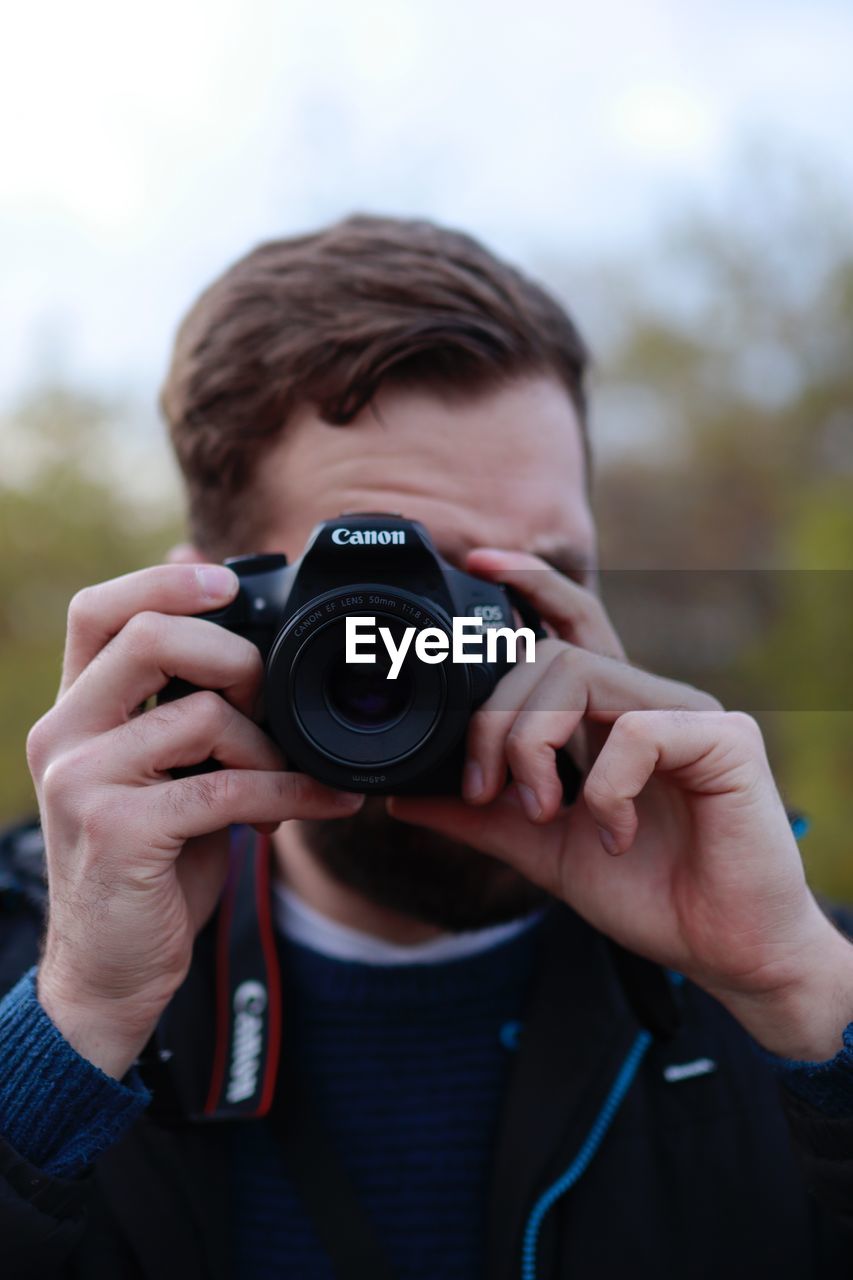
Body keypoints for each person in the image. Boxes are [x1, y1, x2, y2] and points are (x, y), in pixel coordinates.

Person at [1, 215, 851, 1280]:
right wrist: (70, 1026)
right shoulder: (44, 971)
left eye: (524, 582)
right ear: (211, 614)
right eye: (393, 597)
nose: (460, 655)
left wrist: (801, 990)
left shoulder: (780, 965)